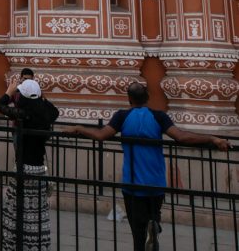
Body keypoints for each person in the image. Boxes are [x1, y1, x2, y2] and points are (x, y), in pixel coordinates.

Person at [64, 81, 229, 251]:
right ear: (148, 97)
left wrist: (78, 128)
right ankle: (154, 226)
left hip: (133, 184)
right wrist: (212, 139)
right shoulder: (159, 117)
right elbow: (182, 137)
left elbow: (100, 135)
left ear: (129, 99)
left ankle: (146, 235)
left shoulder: (122, 116)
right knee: (152, 219)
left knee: (138, 232)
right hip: (156, 182)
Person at [0, 77, 59, 251]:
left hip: (23, 169)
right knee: (37, 213)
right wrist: (41, 96)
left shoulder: (24, 114)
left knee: (16, 210)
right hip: (39, 170)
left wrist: (8, 93)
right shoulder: (46, 115)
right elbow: (54, 110)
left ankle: (16, 245)